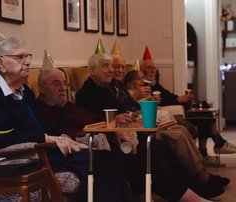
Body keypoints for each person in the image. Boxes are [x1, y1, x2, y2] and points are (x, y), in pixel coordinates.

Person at [0, 37, 133, 202]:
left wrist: (64, 136)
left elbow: (41, 122)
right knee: (96, 164)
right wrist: (46, 138)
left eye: (27, 56)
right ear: (1, 62)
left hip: (46, 148)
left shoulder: (24, 90)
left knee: (107, 158)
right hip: (25, 155)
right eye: (20, 57)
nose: (28, 62)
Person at [37, 62, 213, 201]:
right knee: (139, 162)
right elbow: (64, 133)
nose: (62, 88)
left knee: (153, 152)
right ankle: (188, 195)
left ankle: (189, 190)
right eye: (56, 83)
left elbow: (93, 117)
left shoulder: (68, 105)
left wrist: (112, 122)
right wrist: (107, 126)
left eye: (64, 83)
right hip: (84, 146)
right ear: (42, 88)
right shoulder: (42, 110)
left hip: (106, 138)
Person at [76, 50, 228, 199]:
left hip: (131, 133)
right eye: (106, 66)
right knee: (152, 153)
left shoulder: (108, 87)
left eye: (111, 66)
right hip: (115, 142)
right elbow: (90, 120)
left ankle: (191, 186)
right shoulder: (87, 93)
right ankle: (186, 191)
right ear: (92, 70)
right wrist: (117, 119)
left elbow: (128, 107)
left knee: (162, 148)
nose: (111, 70)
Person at [140, 46, 236, 158]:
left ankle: (208, 149)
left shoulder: (155, 84)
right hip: (167, 109)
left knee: (203, 108)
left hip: (174, 103)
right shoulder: (144, 86)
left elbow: (168, 94)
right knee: (202, 112)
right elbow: (161, 101)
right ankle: (215, 145)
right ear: (142, 70)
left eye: (154, 68)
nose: (152, 71)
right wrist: (178, 99)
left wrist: (181, 97)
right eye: (149, 68)